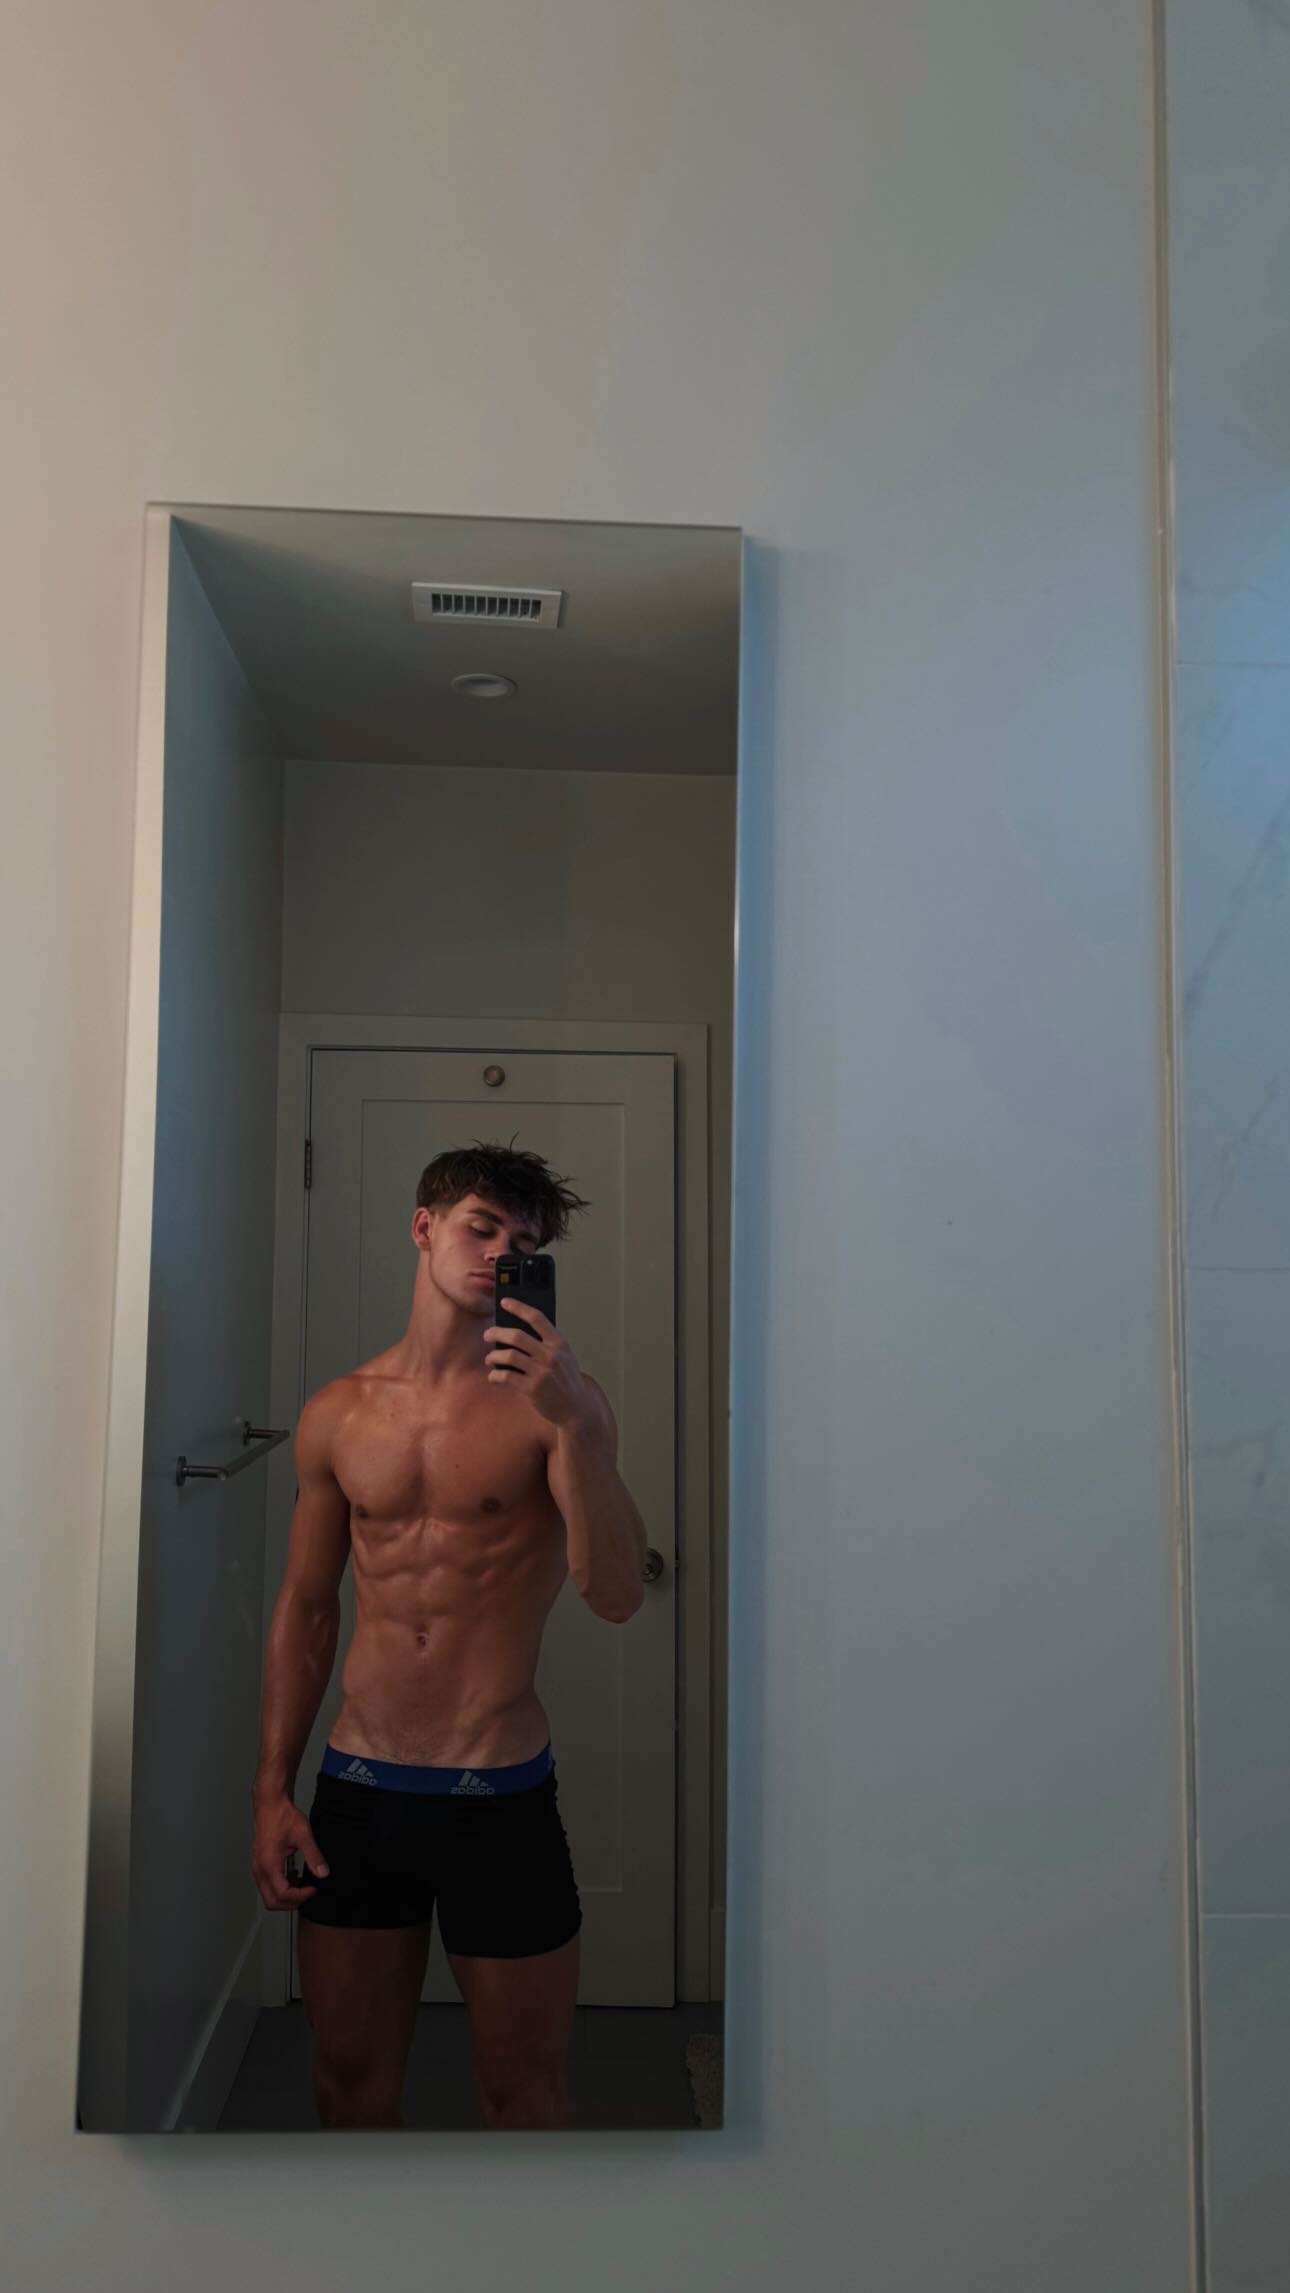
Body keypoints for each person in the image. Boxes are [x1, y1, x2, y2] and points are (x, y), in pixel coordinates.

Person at [250, 1141, 648, 2131]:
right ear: (424, 1227)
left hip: (499, 1794)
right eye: (483, 1226)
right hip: (360, 1789)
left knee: (524, 2099)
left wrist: (577, 1427)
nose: (502, 1252)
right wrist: (272, 1788)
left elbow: (615, 1595)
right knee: (349, 2092)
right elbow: (307, 1608)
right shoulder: (338, 1413)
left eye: (525, 1242)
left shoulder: (560, 1408)